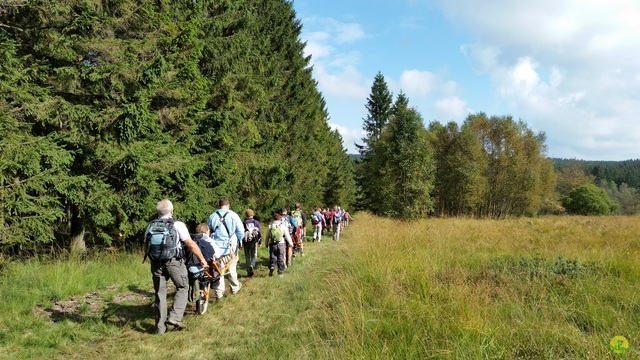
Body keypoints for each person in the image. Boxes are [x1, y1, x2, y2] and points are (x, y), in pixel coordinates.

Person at [144, 199, 208, 335]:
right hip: (174, 261)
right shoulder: (177, 224)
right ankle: (174, 317)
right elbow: (190, 244)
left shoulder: (151, 225)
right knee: (183, 286)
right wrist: (202, 259)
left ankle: (160, 328)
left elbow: (146, 246)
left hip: (156, 263)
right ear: (171, 211)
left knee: (160, 293)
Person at [208, 197, 245, 300]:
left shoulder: (212, 216)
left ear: (219, 205)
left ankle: (219, 293)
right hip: (230, 247)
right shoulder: (233, 215)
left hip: (216, 247)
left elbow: (209, 231)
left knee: (219, 269)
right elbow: (241, 231)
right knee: (232, 268)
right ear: (228, 205)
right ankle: (234, 288)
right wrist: (240, 241)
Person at [265, 212, 293, 277]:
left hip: (272, 244)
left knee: (273, 257)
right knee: (280, 257)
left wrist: (266, 243)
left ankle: (272, 266)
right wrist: (291, 243)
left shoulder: (270, 226)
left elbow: (267, 236)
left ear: (273, 219)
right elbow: (287, 236)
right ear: (280, 219)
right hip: (281, 244)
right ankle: (280, 272)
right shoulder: (283, 226)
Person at [243, 209, 262, 277]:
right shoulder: (256, 222)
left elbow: (242, 233)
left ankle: (248, 270)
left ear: (246, 215)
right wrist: (260, 241)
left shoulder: (244, 223)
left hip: (246, 241)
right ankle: (252, 265)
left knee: (247, 256)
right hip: (253, 241)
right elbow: (259, 233)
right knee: (254, 255)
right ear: (253, 214)